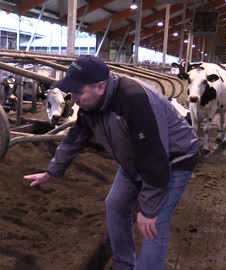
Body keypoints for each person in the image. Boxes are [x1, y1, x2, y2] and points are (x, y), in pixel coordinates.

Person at [23, 55, 199, 270]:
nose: (74, 98)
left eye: (78, 92)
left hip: (173, 159)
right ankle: (124, 264)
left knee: (153, 226)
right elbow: (76, 137)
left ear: (100, 86)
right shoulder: (91, 103)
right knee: (115, 205)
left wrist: (149, 209)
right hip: (135, 159)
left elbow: (154, 156)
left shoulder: (133, 99)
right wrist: (52, 171)